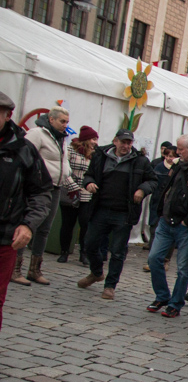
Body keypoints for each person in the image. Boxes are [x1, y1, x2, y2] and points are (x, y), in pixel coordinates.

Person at [77, 129, 157, 301]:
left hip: (124, 212)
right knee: (89, 244)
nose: (126, 146)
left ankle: (110, 286)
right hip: (100, 209)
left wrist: (142, 190)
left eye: (129, 143)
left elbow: (153, 181)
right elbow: (88, 175)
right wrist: (89, 183)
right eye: (123, 142)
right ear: (115, 141)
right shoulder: (101, 156)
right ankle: (96, 272)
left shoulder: (140, 161)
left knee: (118, 251)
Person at [145, 134, 188, 317]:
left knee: (183, 268)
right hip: (166, 220)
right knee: (154, 258)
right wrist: (161, 211)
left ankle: (175, 303)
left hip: (185, 226)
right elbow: (167, 188)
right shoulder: (177, 164)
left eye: (181, 149)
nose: (178, 152)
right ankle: (162, 295)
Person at [0, 91, 53, 330]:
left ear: (7, 115)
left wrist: (28, 224)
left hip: (4, 237)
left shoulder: (23, 150)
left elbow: (41, 191)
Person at [17, 106, 77, 285]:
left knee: (44, 229)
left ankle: (35, 269)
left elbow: (62, 164)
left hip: (55, 187)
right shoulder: (37, 134)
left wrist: (70, 183)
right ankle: (15, 268)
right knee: (28, 225)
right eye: (62, 121)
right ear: (51, 119)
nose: (65, 125)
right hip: (36, 188)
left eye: (67, 122)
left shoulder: (61, 139)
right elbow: (24, 157)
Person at [58, 126, 100, 264]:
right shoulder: (70, 150)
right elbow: (65, 170)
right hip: (71, 192)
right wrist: (73, 187)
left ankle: (83, 253)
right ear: (86, 139)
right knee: (67, 224)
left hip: (86, 194)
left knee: (85, 224)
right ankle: (64, 252)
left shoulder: (95, 154)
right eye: (93, 139)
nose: (95, 142)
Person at [142, 142, 177, 271]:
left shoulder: (178, 169)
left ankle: (166, 259)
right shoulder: (158, 167)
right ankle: (152, 260)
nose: (170, 158)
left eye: (172, 156)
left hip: (171, 207)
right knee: (154, 231)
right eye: (168, 155)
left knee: (169, 234)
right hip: (157, 203)